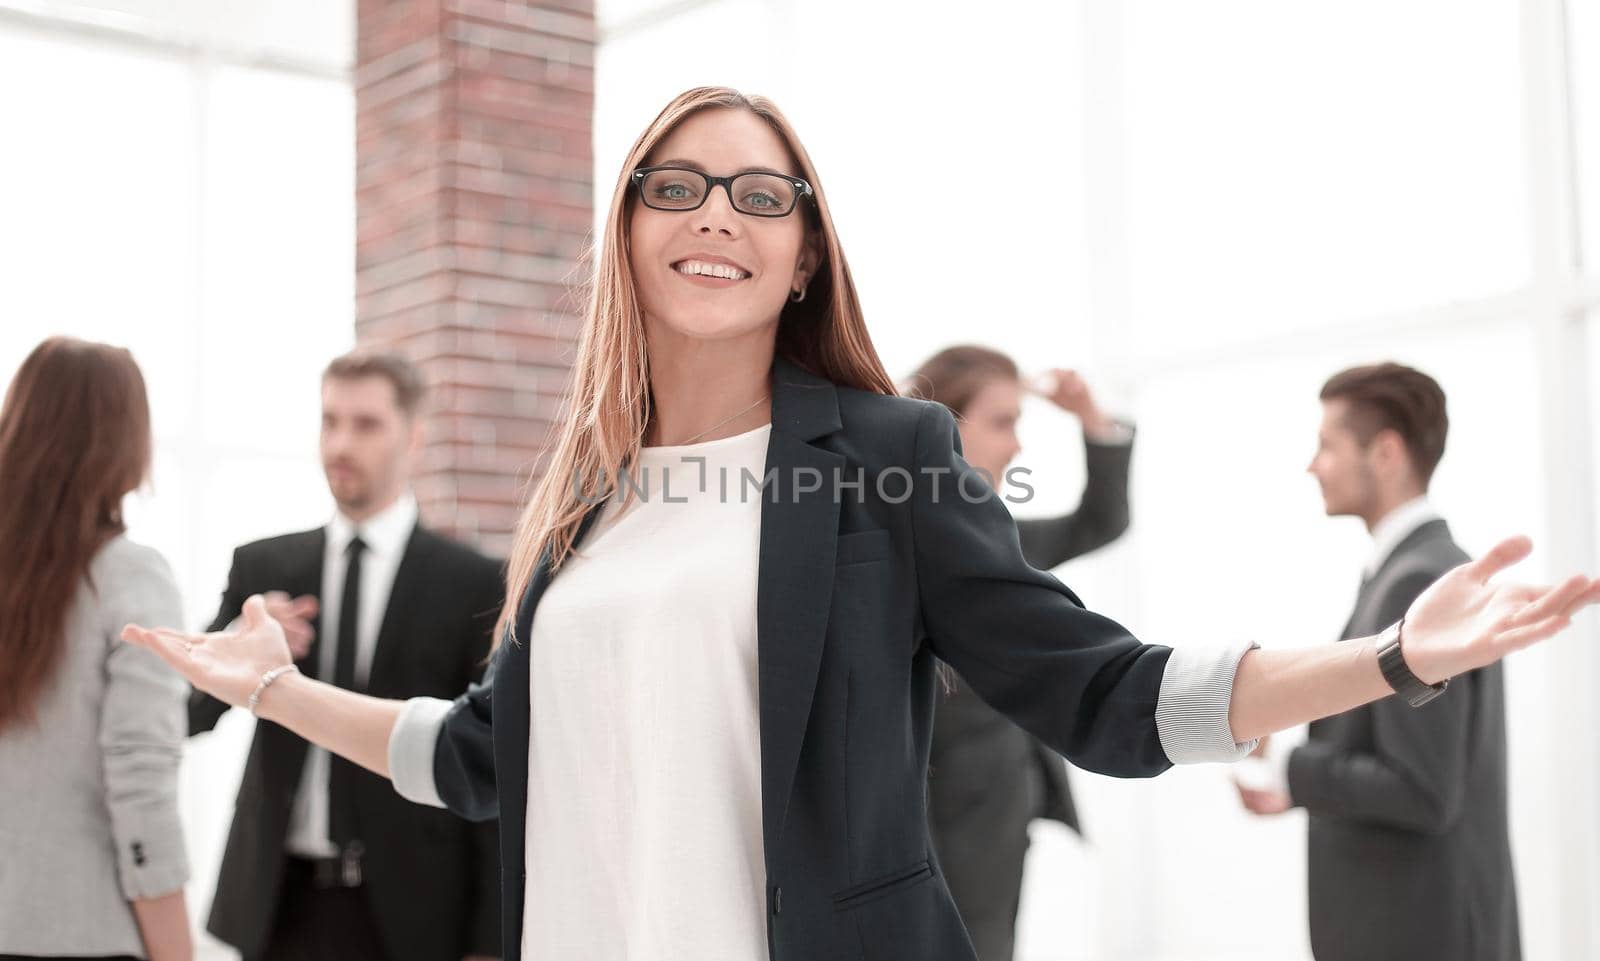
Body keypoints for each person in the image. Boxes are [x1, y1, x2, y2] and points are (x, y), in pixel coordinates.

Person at [123, 87, 1598, 961]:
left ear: (804, 249)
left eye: (760, 192)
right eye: (678, 184)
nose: (717, 211)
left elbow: (1102, 686)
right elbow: (478, 757)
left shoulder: (889, 458)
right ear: (629, 229)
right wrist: (272, 690)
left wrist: (1392, 658)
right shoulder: (584, 497)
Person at [187, 352, 503, 961]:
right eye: (330, 421)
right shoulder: (263, 568)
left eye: (365, 424)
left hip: (417, 914)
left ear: (414, 436)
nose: (340, 443)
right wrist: (234, 642)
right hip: (278, 903)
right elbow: (186, 716)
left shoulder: (476, 583)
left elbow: (487, 763)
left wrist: (489, 943)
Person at [1235, 363, 1520, 961]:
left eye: (1326, 446)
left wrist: (1283, 758)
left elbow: (1421, 789)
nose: (1312, 465)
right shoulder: (1415, 570)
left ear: (1386, 452)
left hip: (1415, 934)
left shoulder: (1417, 580)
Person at [906, 346, 1134, 961]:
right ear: (944, 426)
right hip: (939, 818)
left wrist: (1091, 417)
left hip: (1004, 805)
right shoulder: (890, 541)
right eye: (1004, 423)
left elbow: (1102, 521)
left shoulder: (998, 539)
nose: (1018, 447)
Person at [0, 337, 192, 961]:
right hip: (82, 936)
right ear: (125, 443)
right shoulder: (130, 576)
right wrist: (177, 953)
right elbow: (140, 792)